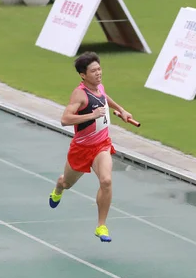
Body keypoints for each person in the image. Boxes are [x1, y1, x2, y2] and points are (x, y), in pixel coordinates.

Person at [48, 51, 133, 243]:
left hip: (102, 146)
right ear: (83, 75)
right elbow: (65, 119)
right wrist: (92, 115)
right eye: (93, 71)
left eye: (99, 68)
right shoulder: (79, 95)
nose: (98, 73)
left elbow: (104, 96)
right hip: (81, 149)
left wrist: (121, 110)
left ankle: (101, 225)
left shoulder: (99, 86)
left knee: (106, 181)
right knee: (67, 183)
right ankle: (59, 188)